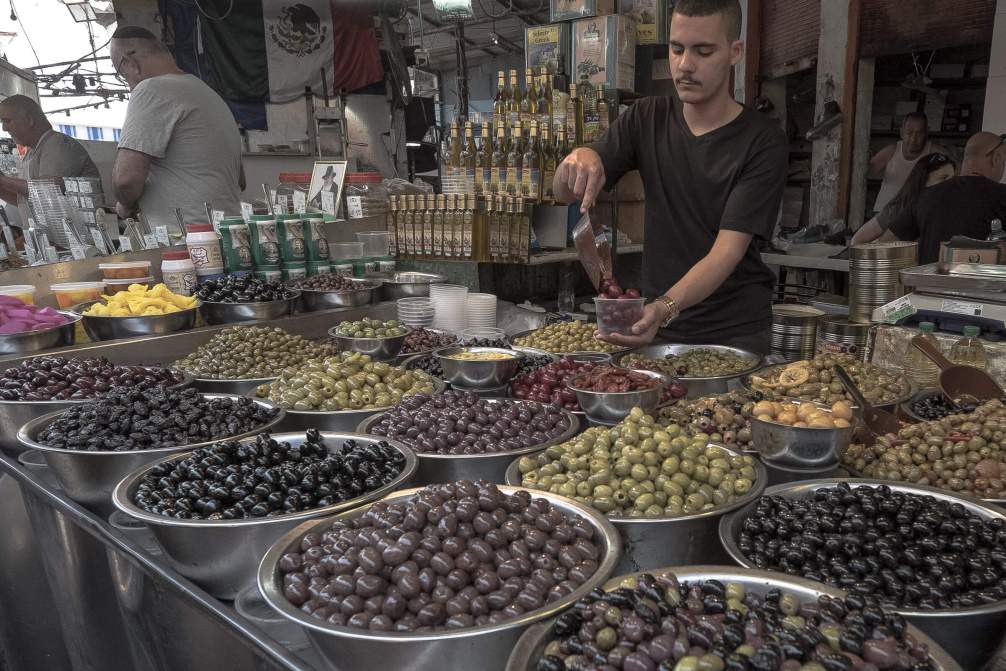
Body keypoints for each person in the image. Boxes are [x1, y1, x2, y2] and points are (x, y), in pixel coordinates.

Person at [552, 0, 787, 355]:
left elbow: (726, 252)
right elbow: (562, 194)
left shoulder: (762, 141)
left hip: (734, 333)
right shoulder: (647, 117)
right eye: (677, 49)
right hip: (657, 329)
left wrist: (664, 308)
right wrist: (578, 158)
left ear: (734, 52)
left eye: (703, 51)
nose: (685, 65)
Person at [110, 26, 245, 235]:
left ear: (131, 63)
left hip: (186, 242)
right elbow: (240, 180)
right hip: (229, 234)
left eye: (121, 73)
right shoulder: (207, 92)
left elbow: (126, 180)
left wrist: (125, 205)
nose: (127, 83)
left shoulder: (150, 90)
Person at [879, 132, 1006, 264]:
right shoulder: (1002, 196)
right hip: (979, 283)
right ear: (996, 159)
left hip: (926, 282)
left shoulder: (927, 195)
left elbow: (885, 244)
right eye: (1004, 162)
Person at [0, 95, 101, 231]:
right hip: (59, 244)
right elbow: (27, 200)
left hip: (86, 242)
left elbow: (46, 191)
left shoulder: (57, 144)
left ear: (29, 120)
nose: (4, 128)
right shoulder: (32, 151)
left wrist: (3, 181)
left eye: (7, 121)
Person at [851, 152, 956, 246]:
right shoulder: (898, 209)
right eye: (943, 178)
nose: (952, 185)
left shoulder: (953, 211)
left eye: (953, 179)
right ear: (924, 180)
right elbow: (858, 241)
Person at [868, 112, 947, 214]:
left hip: (915, 216)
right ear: (901, 132)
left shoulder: (936, 152)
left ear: (927, 133)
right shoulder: (892, 150)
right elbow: (868, 171)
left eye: (919, 133)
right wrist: (864, 161)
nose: (913, 138)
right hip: (884, 213)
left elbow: (957, 174)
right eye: (909, 132)